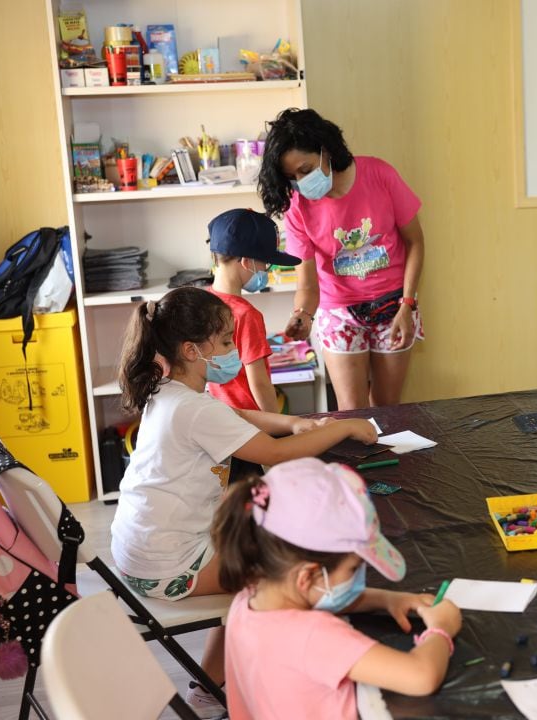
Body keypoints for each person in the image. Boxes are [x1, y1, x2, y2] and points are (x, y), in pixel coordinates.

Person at [111, 286, 377, 715]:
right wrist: (344, 427)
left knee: (260, 547)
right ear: (192, 350)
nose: (234, 350)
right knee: (287, 572)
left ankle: (209, 687)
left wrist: (293, 423)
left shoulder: (170, 391)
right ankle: (277, 682)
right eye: (225, 342)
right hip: (168, 564)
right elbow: (273, 456)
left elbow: (237, 415)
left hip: (136, 551)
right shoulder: (194, 410)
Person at [213, 458, 462, 720]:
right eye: (353, 570)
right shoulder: (313, 636)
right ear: (307, 575)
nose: (358, 578)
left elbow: (326, 595)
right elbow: (420, 676)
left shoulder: (248, 597)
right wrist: (441, 629)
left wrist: (387, 599)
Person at [258, 108, 425, 410]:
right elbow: (308, 284)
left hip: (395, 304)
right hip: (338, 311)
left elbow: (415, 242)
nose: (301, 181)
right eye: (292, 177)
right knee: (352, 413)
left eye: (306, 169)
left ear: (326, 150)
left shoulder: (379, 174)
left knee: (389, 409)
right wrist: (302, 315)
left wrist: (408, 304)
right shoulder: (297, 206)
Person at [206, 208, 302, 412]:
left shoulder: (202, 302)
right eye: (265, 264)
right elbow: (259, 383)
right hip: (252, 422)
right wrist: (279, 423)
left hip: (219, 416)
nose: (265, 271)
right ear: (246, 262)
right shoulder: (245, 315)